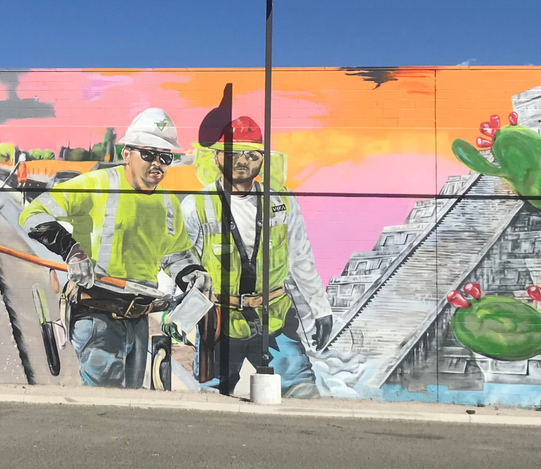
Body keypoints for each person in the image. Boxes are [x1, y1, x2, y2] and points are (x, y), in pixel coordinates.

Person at [18, 108, 212, 388]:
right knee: (106, 403)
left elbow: (175, 253)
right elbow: (32, 214)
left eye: (165, 157)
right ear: (126, 154)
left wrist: (192, 272)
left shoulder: (168, 203)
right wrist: (70, 249)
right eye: (148, 154)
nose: (157, 163)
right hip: (97, 315)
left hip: (138, 322)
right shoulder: (97, 185)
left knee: (127, 407)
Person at [180, 116, 333, 398]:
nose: (242, 161)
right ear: (216, 158)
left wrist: (320, 309)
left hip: (273, 321)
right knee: (212, 401)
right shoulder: (195, 206)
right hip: (220, 325)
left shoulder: (282, 202)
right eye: (233, 154)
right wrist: (178, 320)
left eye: (251, 154)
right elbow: (183, 265)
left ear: (262, 159)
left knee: (303, 393)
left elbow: (301, 258)